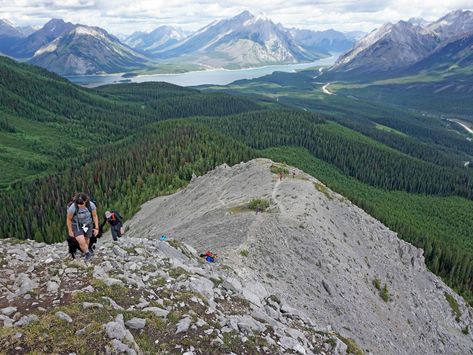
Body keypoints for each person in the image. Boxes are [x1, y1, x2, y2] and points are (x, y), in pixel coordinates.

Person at [66, 192, 99, 262]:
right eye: (78, 203)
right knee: (81, 241)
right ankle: (87, 254)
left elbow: (95, 216)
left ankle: (87, 250)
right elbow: (69, 219)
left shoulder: (91, 205)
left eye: (81, 203)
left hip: (88, 224)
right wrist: (70, 231)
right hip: (77, 225)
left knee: (87, 239)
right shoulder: (72, 208)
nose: (79, 205)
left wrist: (96, 228)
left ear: (86, 200)